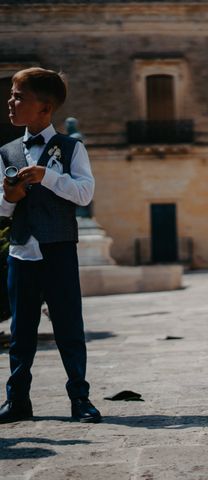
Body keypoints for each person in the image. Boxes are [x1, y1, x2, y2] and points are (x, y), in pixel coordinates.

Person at [0, 67, 102, 423]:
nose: (10, 102)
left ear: (44, 108)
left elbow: (85, 192)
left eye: (18, 96)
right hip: (21, 250)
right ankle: (17, 401)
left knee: (69, 327)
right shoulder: (7, 151)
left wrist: (49, 177)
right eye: (11, 95)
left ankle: (80, 399)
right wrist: (9, 196)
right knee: (21, 332)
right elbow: (1, 208)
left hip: (58, 248)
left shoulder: (72, 147)